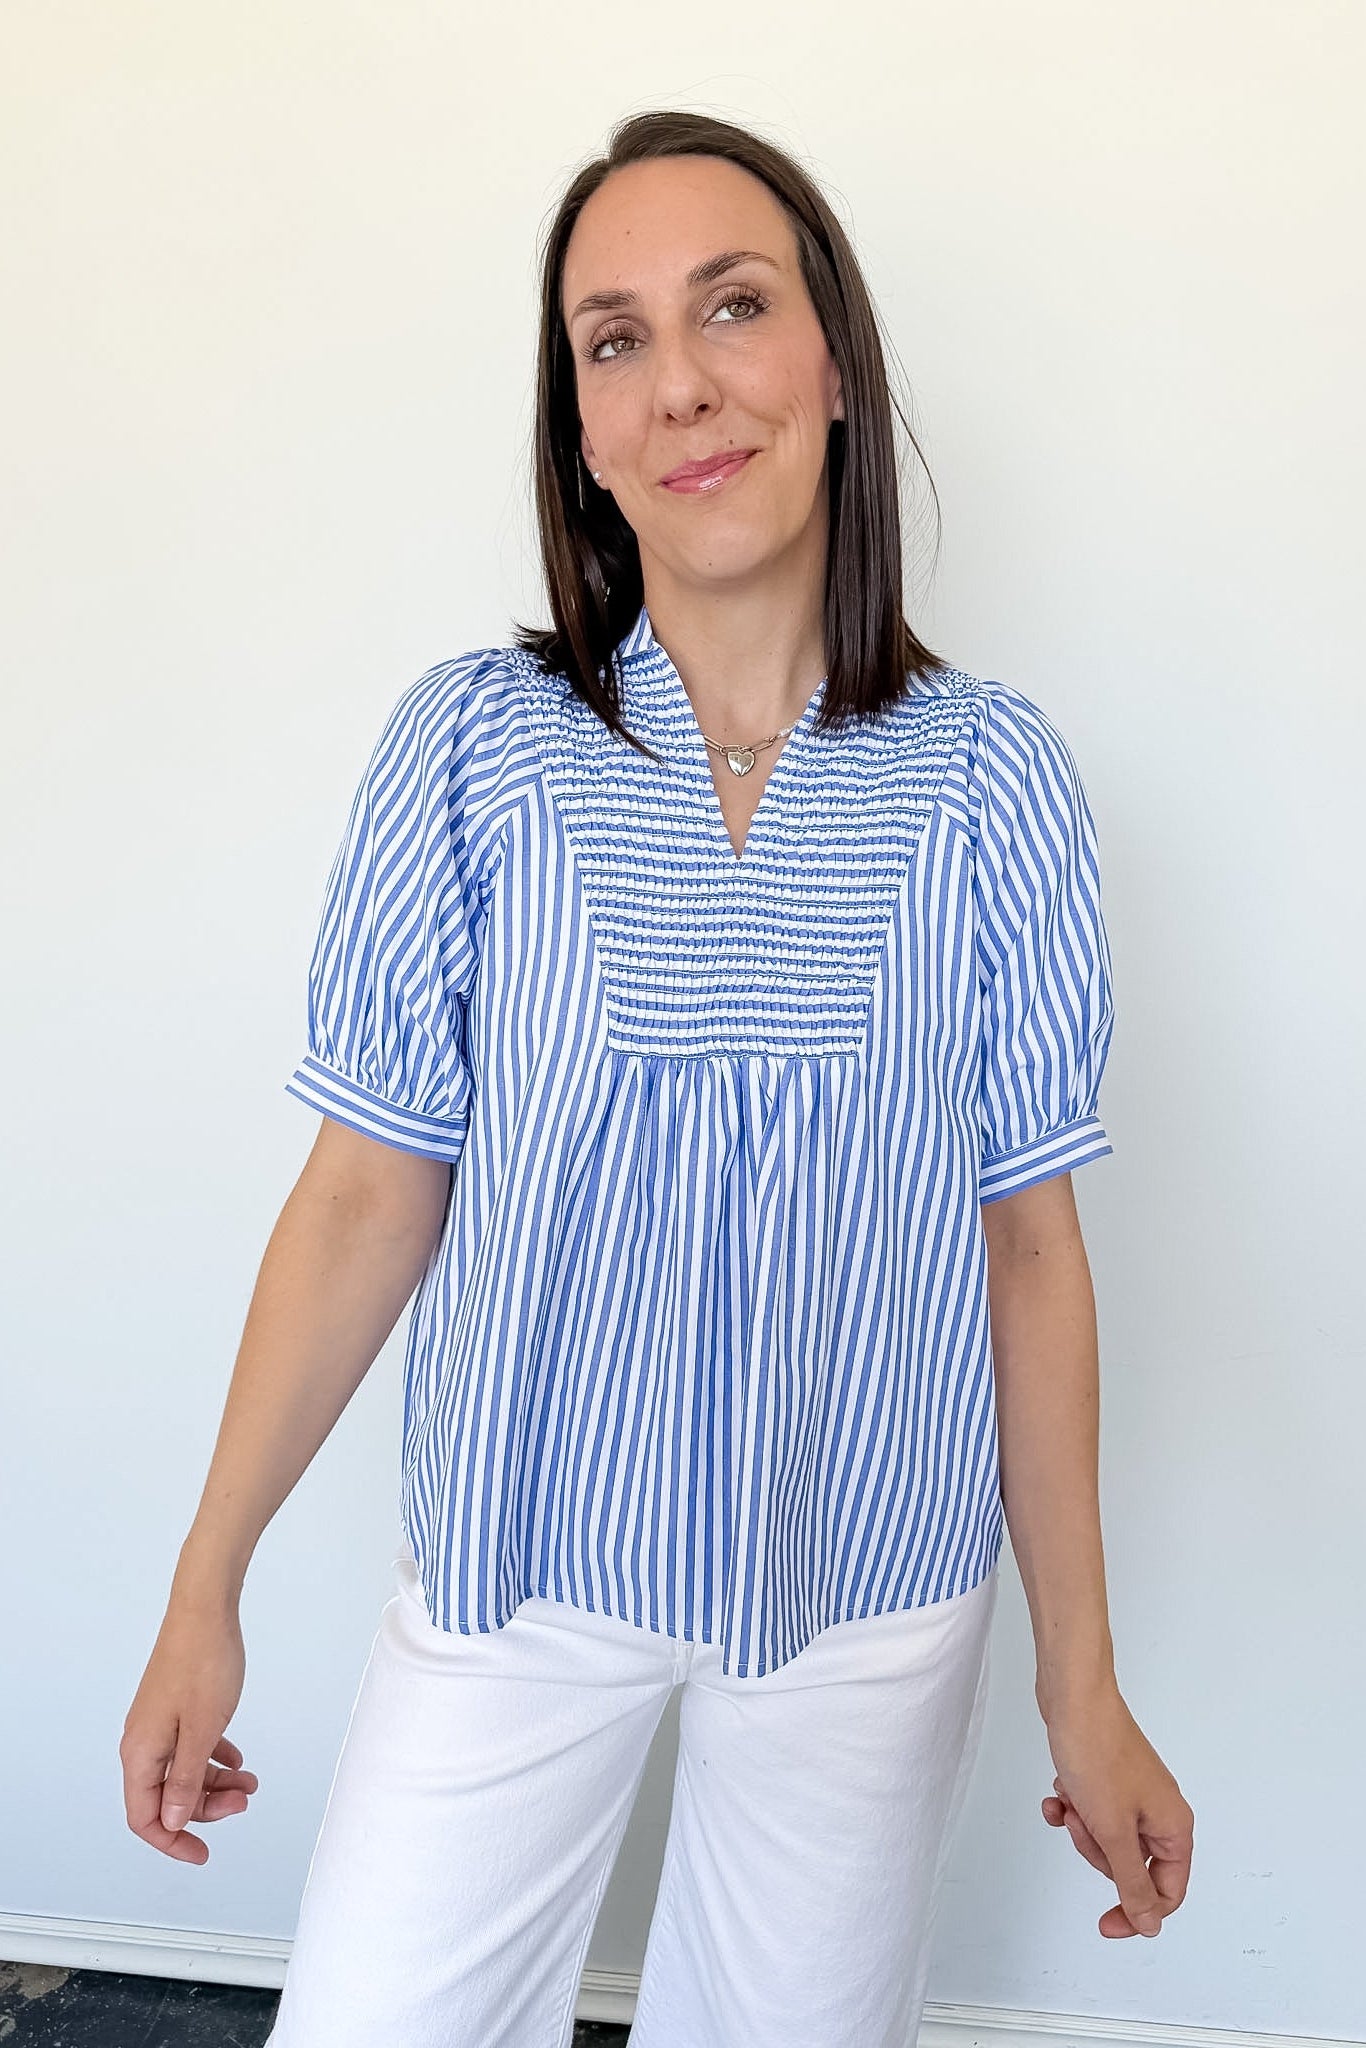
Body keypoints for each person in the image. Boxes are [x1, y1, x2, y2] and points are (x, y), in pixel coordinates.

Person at [120, 108, 1194, 2048]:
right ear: (580, 426)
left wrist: (1079, 1681)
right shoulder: (470, 749)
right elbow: (369, 1189)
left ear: (832, 362)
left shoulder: (989, 778)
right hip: (525, 1552)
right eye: (611, 338)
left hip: (867, 1580)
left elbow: (1024, 1244)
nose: (679, 379)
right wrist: (209, 1581)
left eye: (730, 306)